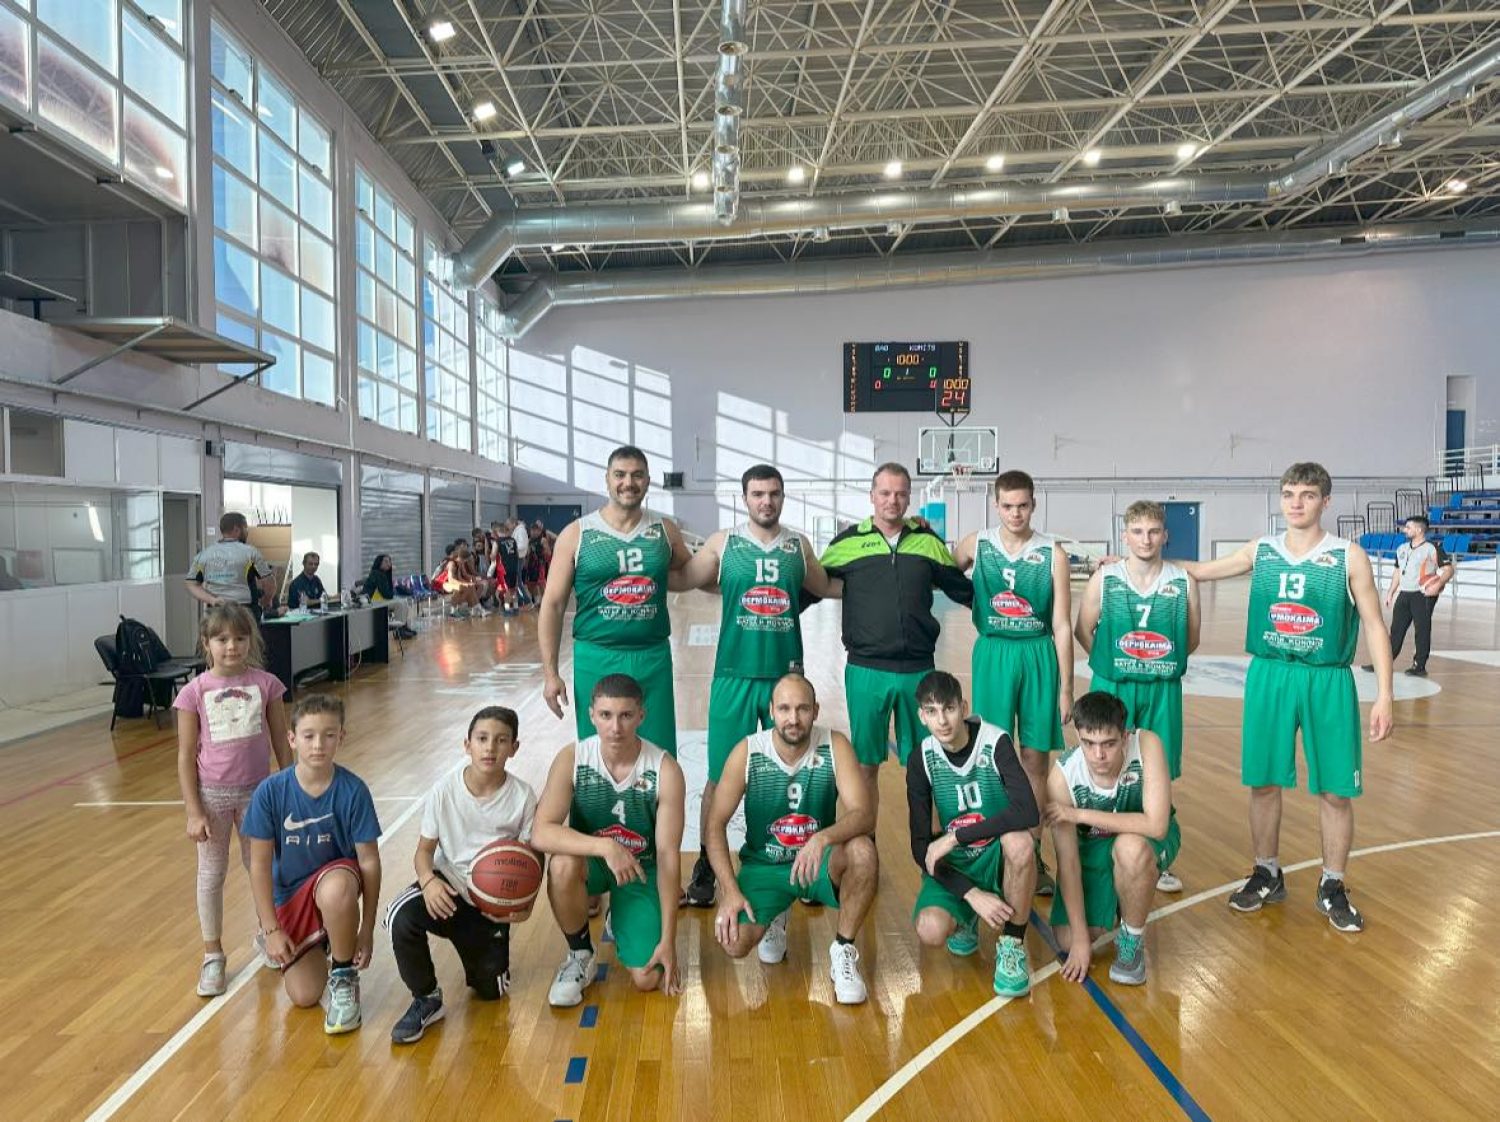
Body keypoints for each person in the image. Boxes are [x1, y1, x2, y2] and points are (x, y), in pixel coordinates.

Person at [1182, 462, 1393, 931]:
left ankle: (1332, 883)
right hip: (1270, 674)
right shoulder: (1263, 550)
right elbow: (1198, 570)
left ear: (1325, 501)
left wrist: (1384, 695)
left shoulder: (1347, 556)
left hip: (1327, 678)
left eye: (1308, 495)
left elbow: (1376, 626)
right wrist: (1132, 562)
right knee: (1263, 782)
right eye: (1289, 494)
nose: (1296, 503)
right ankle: (1267, 872)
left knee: (1336, 789)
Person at [670, 463, 841, 906]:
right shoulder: (723, 544)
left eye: (774, 493)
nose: (767, 501)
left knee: (795, 772)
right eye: (758, 494)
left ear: (783, 497)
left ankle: (803, 861)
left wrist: (884, 576)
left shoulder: (798, 546)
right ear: (744, 498)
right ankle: (708, 863)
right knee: (717, 777)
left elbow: (827, 585)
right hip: (734, 677)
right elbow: (684, 578)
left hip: (787, 681)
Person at [705, 674, 879, 1004]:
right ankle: (776, 911)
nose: (793, 718)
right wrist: (729, 891)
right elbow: (714, 825)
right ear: (771, 710)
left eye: (802, 709)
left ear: (815, 710)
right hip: (765, 865)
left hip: (817, 863)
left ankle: (843, 949)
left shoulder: (835, 745)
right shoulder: (748, 752)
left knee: (863, 851)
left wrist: (822, 839)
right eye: (784, 709)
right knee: (734, 942)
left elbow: (864, 814)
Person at [818, 462, 973, 822]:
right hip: (865, 670)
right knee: (864, 765)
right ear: (872, 496)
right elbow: (811, 585)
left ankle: (926, 843)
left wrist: (1010, 607)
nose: (893, 500)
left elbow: (962, 589)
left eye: (901, 494)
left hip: (918, 670)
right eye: (885, 493)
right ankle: (864, 841)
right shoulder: (846, 543)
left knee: (925, 764)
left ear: (909, 498)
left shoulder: (928, 542)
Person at [951, 468, 1072, 895]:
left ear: (1033, 504)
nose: (1015, 513)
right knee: (991, 756)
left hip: (1037, 652)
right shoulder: (976, 544)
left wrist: (1066, 688)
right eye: (1007, 505)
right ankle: (993, 848)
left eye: (1022, 505)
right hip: (994, 652)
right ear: (996, 505)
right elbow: (943, 573)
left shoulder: (1052, 553)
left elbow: (1062, 625)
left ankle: (1033, 852)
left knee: (1035, 758)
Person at [387, 706, 538, 1043]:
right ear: (467, 744)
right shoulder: (444, 790)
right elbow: (423, 852)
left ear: (514, 748)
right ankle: (426, 997)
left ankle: (484, 958)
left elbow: (532, 862)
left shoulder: (523, 796)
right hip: (448, 887)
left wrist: (524, 907)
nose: (490, 747)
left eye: (501, 740)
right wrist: (428, 882)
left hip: (490, 905)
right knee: (401, 915)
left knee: (491, 992)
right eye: (482, 739)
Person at [531, 674, 685, 1005]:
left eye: (626, 715)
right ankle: (580, 954)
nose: (616, 727)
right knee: (562, 865)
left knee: (648, 977)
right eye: (606, 715)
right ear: (591, 716)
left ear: (641, 715)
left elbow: (668, 857)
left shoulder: (665, 769)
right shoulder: (573, 758)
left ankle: (624, 912)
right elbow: (540, 832)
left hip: (641, 868)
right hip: (594, 863)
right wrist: (605, 847)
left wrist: (669, 940)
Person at [1074, 499, 1200, 892]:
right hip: (1114, 684)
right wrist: (1113, 662)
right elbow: (1083, 630)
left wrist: (1153, 660)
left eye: (1153, 531)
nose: (1146, 539)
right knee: (1104, 765)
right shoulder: (1106, 579)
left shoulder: (1183, 582)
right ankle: (1096, 853)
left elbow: (1191, 639)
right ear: (1125, 536)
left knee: (1156, 771)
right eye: (1138, 532)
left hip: (1162, 688)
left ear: (1165, 535)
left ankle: (1155, 856)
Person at [539, 445, 692, 755]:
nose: (628, 483)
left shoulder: (665, 531)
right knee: (599, 753)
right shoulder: (577, 533)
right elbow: (553, 604)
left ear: (648, 481)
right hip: (596, 656)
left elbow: (689, 573)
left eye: (637, 475)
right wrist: (550, 674)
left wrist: (739, 579)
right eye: (620, 475)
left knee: (658, 753)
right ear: (607, 479)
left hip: (652, 656)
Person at [244, 694, 383, 1033]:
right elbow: (259, 866)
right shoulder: (270, 792)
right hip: (292, 897)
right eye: (309, 736)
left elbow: (369, 862)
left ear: (341, 737)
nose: (318, 744)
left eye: (329, 735)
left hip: (335, 886)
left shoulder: (353, 790)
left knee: (336, 890)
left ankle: (344, 974)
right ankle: (323, 939)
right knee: (304, 995)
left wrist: (366, 929)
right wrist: (271, 929)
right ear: (292, 739)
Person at [173, 604, 292, 997]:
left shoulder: (267, 685)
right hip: (212, 797)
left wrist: (290, 788)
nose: (231, 646)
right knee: (212, 873)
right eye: (222, 639)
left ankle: (268, 933)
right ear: (206, 643)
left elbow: (282, 742)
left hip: (258, 794)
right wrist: (194, 810)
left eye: (240, 638)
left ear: (250, 641)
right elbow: (185, 755)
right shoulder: (194, 692)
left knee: (262, 866)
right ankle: (213, 954)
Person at [908, 670, 1038, 997]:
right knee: (930, 929)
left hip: (996, 853)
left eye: (949, 708)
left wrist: (955, 837)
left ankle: (1012, 944)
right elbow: (920, 848)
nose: (942, 720)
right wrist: (971, 894)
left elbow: (1027, 812)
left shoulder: (995, 742)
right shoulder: (921, 758)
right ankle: (966, 918)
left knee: (1021, 843)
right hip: (958, 864)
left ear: (963, 708)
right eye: (932, 711)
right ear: (922, 716)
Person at [1046, 692, 1179, 987]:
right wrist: (1081, 941)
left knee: (1130, 849)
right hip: (1093, 845)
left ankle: (1131, 939)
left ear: (1125, 736)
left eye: (1108, 743)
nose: (1098, 755)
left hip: (1145, 839)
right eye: (1088, 743)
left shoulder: (1147, 745)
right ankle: (1124, 899)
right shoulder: (1062, 778)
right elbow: (1068, 863)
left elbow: (1156, 826)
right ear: (1078, 736)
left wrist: (1079, 814)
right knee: (1067, 939)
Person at [1364, 515, 1454, 678]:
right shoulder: (1402, 548)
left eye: (1408, 527)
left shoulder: (1432, 548)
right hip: (1404, 594)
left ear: (1419, 530)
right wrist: (1391, 592)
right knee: (1395, 630)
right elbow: (1398, 571)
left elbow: (1449, 569)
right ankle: (1383, 663)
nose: (1405, 530)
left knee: (1422, 630)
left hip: (1423, 595)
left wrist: (1438, 584)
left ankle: (1419, 666)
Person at [186, 511, 275, 619]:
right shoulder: (251, 553)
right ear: (236, 529)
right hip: (244, 612)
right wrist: (265, 602)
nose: (247, 532)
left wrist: (212, 600)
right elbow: (269, 584)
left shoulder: (204, 555)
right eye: (245, 528)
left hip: (216, 613)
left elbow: (191, 584)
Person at [362, 553, 419, 638]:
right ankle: (399, 630)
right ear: (379, 563)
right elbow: (387, 594)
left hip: (381, 599)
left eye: (389, 561)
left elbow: (388, 592)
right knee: (399, 604)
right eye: (386, 561)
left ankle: (403, 627)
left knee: (403, 601)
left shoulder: (383, 573)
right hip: (373, 602)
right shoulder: (377, 574)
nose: (389, 564)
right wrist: (392, 594)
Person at [432, 541, 485, 618]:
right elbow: (451, 579)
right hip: (441, 584)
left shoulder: (459, 563)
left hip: (448, 583)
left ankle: (475, 608)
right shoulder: (451, 564)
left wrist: (468, 583)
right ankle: (453, 611)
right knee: (460, 587)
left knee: (470, 587)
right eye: (464, 561)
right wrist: (464, 584)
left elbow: (460, 578)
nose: (464, 563)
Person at [493, 521, 522, 615]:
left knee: (507, 590)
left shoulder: (497, 541)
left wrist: (492, 556)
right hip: (514, 567)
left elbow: (493, 555)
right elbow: (518, 554)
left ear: (498, 531)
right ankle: (516, 607)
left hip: (504, 569)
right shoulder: (513, 540)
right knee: (513, 589)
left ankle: (507, 609)